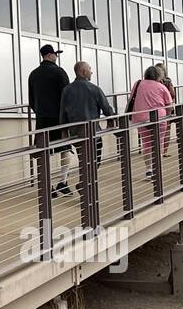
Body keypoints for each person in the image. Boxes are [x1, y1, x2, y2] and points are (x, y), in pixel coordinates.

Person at [60, 61, 116, 201]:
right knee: (94, 161)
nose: (92, 72)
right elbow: (107, 109)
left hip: (75, 133)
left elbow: (62, 113)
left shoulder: (67, 90)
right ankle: (84, 186)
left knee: (83, 160)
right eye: (90, 69)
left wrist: (64, 132)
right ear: (83, 71)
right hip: (93, 133)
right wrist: (111, 120)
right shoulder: (94, 88)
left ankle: (84, 186)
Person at [28, 44, 72, 196]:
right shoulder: (59, 72)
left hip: (42, 118)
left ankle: (46, 186)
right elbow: (67, 96)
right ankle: (63, 181)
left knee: (44, 153)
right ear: (49, 55)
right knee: (65, 149)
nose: (56, 56)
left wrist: (40, 112)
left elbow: (31, 100)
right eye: (55, 54)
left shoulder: (33, 74)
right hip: (59, 118)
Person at [127, 67, 173, 179]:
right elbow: (169, 105)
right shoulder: (161, 87)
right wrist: (168, 115)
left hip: (141, 118)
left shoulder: (138, 84)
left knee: (146, 144)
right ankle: (157, 169)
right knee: (159, 143)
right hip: (159, 118)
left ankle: (149, 170)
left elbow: (131, 99)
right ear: (159, 76)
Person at [153, 62, 176, 156]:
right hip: (167, 108)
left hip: (154, 108)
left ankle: (154, 150)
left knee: (154, 130)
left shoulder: (152, 81)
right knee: (166, 130)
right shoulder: (167, 81)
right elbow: (173, 94)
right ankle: (164, 151)